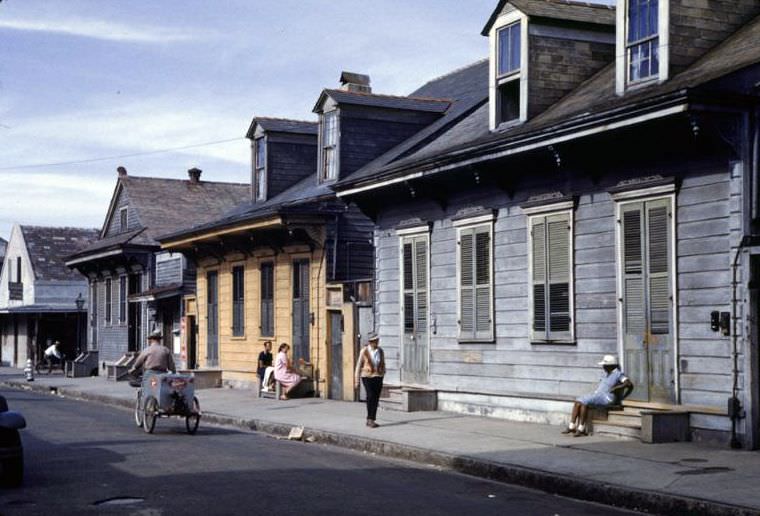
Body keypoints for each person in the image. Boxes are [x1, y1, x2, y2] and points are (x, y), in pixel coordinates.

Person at [562, 355, 634, 437]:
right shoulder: (607, 374)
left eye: (604, 365)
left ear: (610, 365)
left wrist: (617, 387)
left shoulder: (618, 374)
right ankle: (573, 427)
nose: (603, 367)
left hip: (607, 398)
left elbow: (628, 383)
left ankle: (580, 429)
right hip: (599, 395)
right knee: (578, 402)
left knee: (583, 401)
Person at [354, 333, 385, 428]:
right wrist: (356, 381)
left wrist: (383, 372)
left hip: (378, 376)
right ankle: (369, 418)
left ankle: (372, 419)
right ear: (370, 342)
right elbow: (359, 365)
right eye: (375, 341)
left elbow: (383, 362)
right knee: (370, 396)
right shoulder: (364, 351)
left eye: (377, 340)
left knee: (375, 398)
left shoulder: (380, 351)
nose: (377, 342)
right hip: (367, 376)